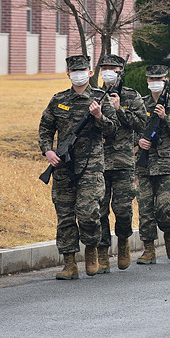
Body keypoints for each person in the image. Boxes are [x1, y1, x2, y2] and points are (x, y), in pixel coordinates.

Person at [39, 55, 119, 279]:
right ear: (68, 74)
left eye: (82, 70)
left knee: (88, 213)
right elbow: (45, 129)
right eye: (73, 71)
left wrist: (99, 116)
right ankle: (69, 264)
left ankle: (92, 251)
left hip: (91, 167)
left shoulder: (100, 99)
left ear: (90, 72)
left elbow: (112, 130)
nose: (78, 74)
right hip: (63, 167)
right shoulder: (59, 100)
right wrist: (49, 151)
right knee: (64, 217)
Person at [96, 54, 146, 272]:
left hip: (123, 161)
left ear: (120, 71)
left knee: (123, 209)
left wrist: (120, 110)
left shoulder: (131, 96)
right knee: (99, 210)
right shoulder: (93, 95)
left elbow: (142, 123)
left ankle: (123, 243)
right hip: (97, 161)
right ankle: (102, 250)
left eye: (113, 68)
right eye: (104, 68)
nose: (108, 72)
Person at [136, 64, 170, 264]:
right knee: (145, 208)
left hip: (167, 164)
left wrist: (165, 118)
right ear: (147, 81)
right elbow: (132, 129)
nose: (155, 83)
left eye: (159, 79)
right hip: (145, 164)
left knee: (165, 207)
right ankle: (149, 249)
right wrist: (138, 141)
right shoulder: (141, 103)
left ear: (166, 81)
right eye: (151, 79)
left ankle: (169, 232)